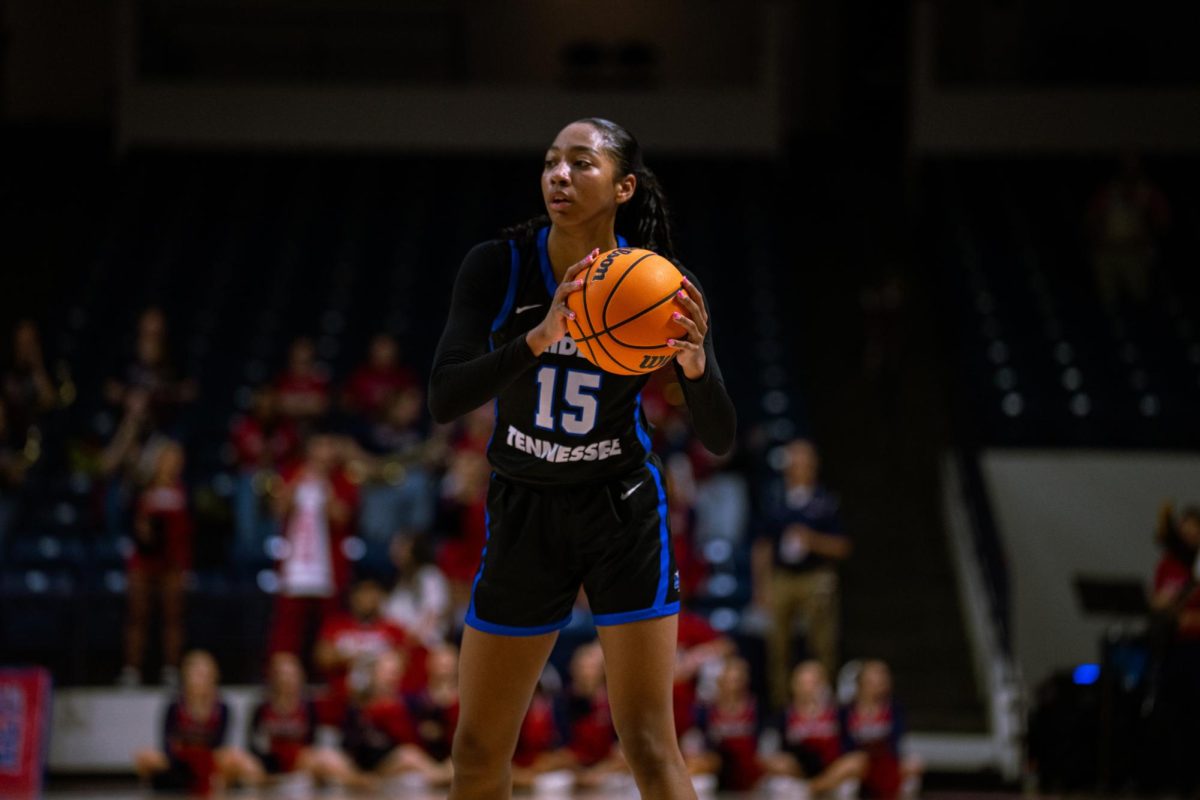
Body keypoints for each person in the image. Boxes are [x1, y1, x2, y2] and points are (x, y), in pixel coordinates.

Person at [427, 117, 735, 799]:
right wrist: (538, 338)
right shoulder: (498, 265)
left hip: (618, 508)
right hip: (524, 506)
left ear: (624, 186)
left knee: (651, 746)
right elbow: (446, 396)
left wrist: (692, 364)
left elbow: (719, 435)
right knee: (476, 750)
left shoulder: (661, 284)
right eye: (550, 162)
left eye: (580, 163)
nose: (558, 175)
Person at [753, 439, 851, 708]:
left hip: (815, 576)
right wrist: (761, 587)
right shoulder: (775, 500)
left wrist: (813, 540)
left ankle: (823, 707)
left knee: (822, 643)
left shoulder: (825, 502)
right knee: (778, 648)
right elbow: (762, 547)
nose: (799, 466)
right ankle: (783, 709)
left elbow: (843, 547)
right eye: (794, 460)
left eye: (804, 460)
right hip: (781, 578)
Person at [267, 432, 357, 661]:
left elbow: (342, 517)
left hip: (328, 568)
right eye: (319, 446)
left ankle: (326, 677)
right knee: (287, 629)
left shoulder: (342, 480)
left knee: (329, 627)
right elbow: (277, 509)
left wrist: (325, 489)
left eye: (328, 446)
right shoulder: (292, 473)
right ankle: (282, 676)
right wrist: (297, 482)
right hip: (295, 566)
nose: (323, 453)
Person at [120, 440, 191, 688]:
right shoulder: (144, 489)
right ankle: (132, 669)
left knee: (172, 618)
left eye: (176, 459)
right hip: (143, 561)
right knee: (137, 617)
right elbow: (132, 521)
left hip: (171, 564)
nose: (172, 463)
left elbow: (186, 534)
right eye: (167, 458)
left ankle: (171, 668)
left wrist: (183, 566)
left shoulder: (182, 491)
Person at [132, 650, 252, 794]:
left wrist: (204, 760)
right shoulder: (175, 706)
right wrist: (180, 760)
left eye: (204, 675)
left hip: (209, 761)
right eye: (195, 674)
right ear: (185, 676)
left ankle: (218, 789)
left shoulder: (222, 708)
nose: (200, 680)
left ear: (214, 677)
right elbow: (166, 741)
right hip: (179, 761)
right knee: (145, 756)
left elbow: (221, 743)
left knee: (235, 757)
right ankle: (158, 787)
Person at [1151, 504, 1200, 794]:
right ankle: (1175, 780)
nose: (1189, 533)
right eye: (1185, 528)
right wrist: (1167, 606)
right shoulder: (1170, 563)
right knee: (1173, 714)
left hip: (1197, 651)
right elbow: (1157, 603)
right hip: (1174, 649)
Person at [763, 661, 866, 797]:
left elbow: (852, 747)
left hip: (832, 770)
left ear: (824, 684)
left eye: (814, 682)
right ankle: (812, 787)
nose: (809, 688)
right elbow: (772, 749)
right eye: (804, 683)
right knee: (776, 763)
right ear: (794, 686)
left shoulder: (839, 712)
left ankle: (814, 788)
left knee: (858, 760)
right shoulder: (784, 714)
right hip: (797, 772)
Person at [841, 660, 922, 800]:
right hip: (858, 763)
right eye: (873, 680)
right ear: (861, 682)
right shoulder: (846, 711)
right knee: (854, 765)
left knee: (913, 765)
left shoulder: (894, 709)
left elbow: (897, 742)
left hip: (885, 761)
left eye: (882, 680)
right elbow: (843, 743)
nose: (878, 685)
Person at [242, 652, 320, 786]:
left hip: (300, 763)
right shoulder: (262, 708)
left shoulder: (308, 708)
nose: (287, 680)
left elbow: (312, 741)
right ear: (273, 677)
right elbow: (252, 742)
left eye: (292, 674)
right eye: (283, 674)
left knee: (319, 760)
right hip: (268, 764)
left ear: (300, 677)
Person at [690, 656, 764, 792]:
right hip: (717, 765)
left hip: (747, 764)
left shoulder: (755, 708)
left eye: (736, 680)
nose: (733, 686)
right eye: (729, 680)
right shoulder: (706, 709)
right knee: (704, 762)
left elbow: (762, 743)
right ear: (720, 681)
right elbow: (698, 740)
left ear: (744, 682)